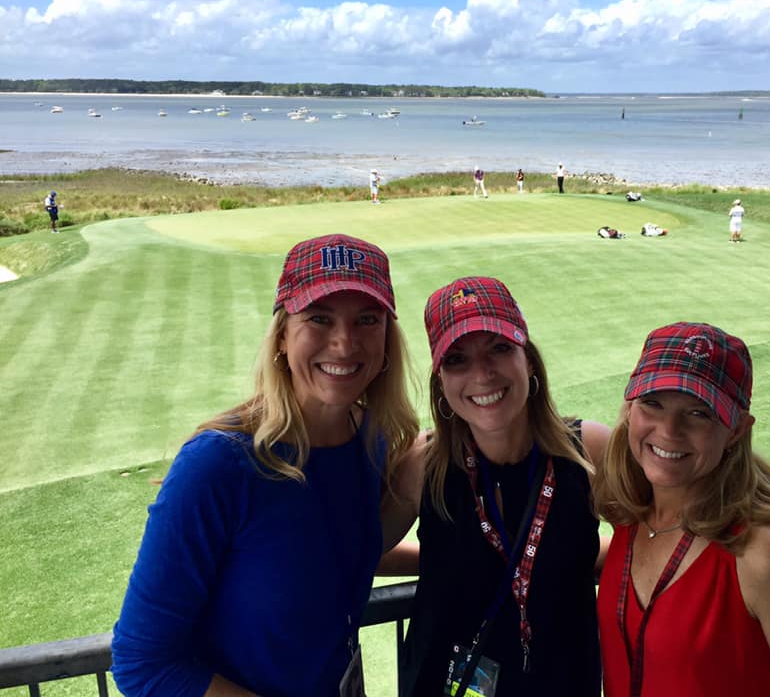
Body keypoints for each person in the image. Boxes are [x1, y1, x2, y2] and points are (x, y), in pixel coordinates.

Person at [111, 233, 419, 697]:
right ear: (281, 336)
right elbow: (143, 664)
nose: (344, 342)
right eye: (319, 318)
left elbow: (335, 556)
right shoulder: (218, 465)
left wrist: (449, 558)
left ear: (386, 340)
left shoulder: (369, 440)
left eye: (367, 319)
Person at [594, 321, 770, 697]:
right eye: (653, 403)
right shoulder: (633, 519)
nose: (669, 430)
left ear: (737, 430)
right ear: (630, 409)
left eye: (699, 413)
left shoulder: (767, 556)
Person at [398, 276, 610, 697]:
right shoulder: (424, 462)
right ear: (441, 380)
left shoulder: (589, 450)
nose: (482, 374)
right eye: (457, 359)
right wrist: (436, 562)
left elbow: (660, 539)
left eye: (499, 348)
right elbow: (358, 551)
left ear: (528, 359)